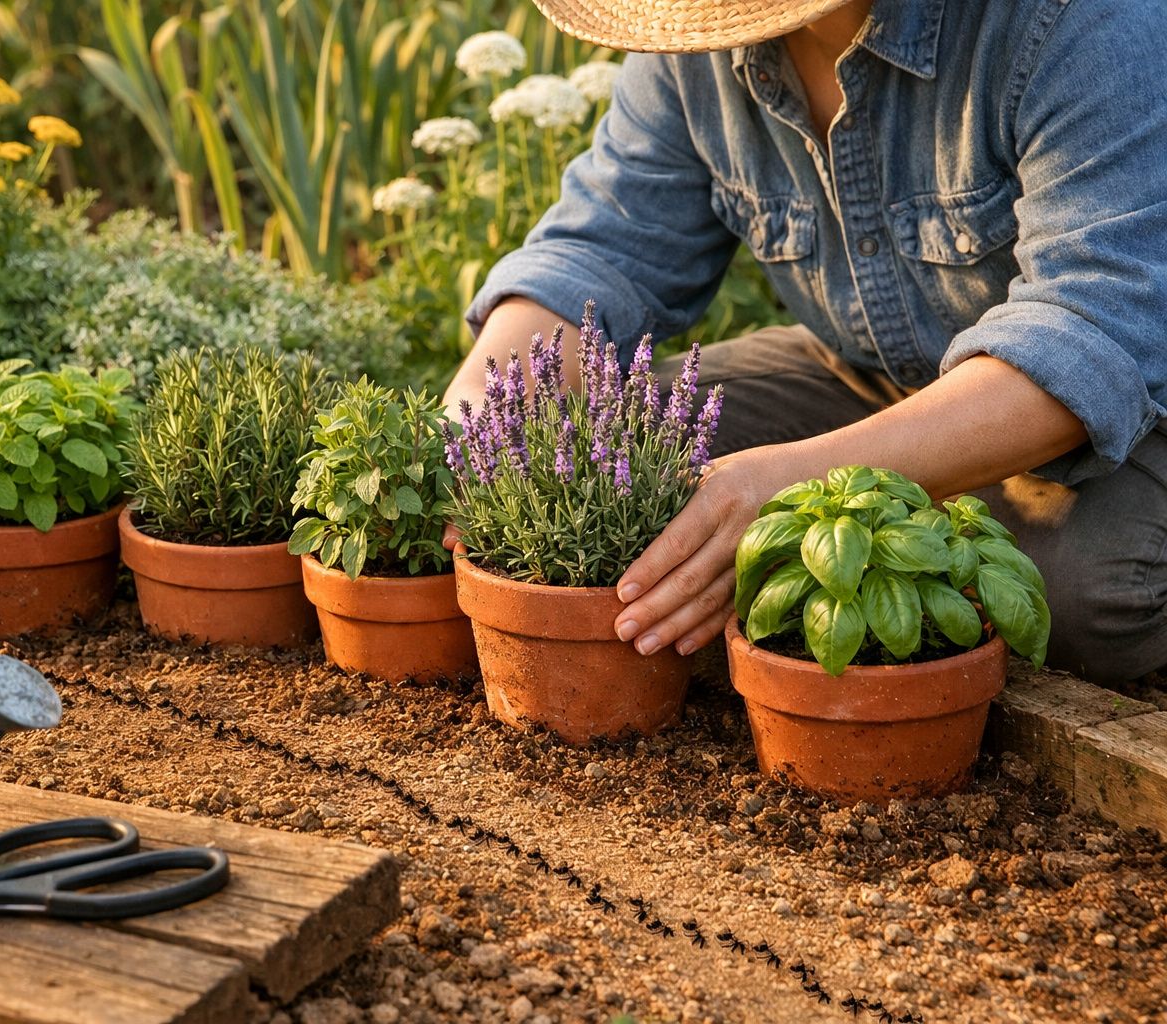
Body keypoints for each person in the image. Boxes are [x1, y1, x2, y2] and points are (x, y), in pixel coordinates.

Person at [444, 0, 1167, 683]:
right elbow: (607, 246)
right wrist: (480, 409)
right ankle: (895, 526)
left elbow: (1093, 326)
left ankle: (891, 526)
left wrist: (791, 486)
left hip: (1120, 411)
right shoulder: (699, 42)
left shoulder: (1079, 23)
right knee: (609, 453)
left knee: (1089, 592)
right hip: (870, 370)